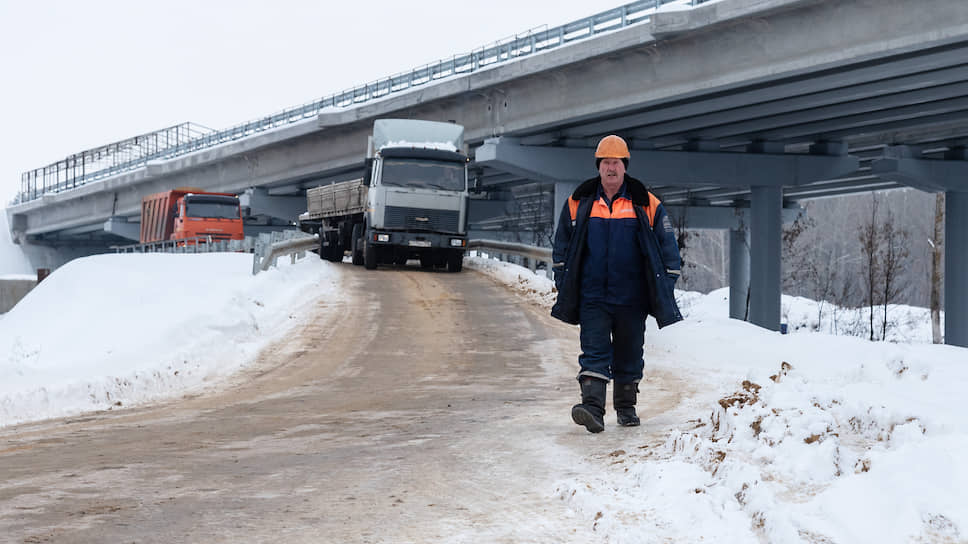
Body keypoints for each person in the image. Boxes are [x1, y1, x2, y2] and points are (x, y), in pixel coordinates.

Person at [551, 135, 683, 433]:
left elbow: (668, 250)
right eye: (606, 163)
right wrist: (563, 280)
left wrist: (665, 285)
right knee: (594, 350)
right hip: (593, 295)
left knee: (629, 351)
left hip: (631, 296)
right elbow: (561, 246)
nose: (611, 168)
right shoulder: (578, 202)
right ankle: (593, 410)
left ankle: (626, 407)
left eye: (617, 162)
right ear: (599, 167)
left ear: (625, 167)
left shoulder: (646, 203)